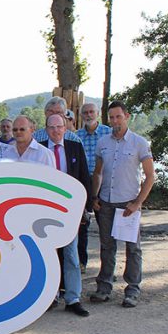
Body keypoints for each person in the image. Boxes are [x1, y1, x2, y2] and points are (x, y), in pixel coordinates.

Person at [90, 101, 155, 308]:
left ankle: (132, 289)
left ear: (127, 116)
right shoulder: (102, 143)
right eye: (111, 117)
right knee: (107, 247)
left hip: (128, 205)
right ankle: (104, 287)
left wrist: (137, 203)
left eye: (118, 116)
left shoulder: (139, 143)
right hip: (106, 203)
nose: (115, 121)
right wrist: (94, 197)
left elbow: (150, 176)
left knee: (132, 248)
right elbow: (98, 172)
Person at [38, 114, 91, 317]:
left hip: (70, 210)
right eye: (51, 127)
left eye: (59, 126)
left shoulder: (75, 147)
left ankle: (73, 298)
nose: (55, 131)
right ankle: (50, 297)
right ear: (46, 129)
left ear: (65, 128)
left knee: (71, 255)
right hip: (45, 211)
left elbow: (84, 176)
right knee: (49, 255)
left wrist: (86, 208)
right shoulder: (40, 150)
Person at [76, 102, 112, 270]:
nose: (89, 115)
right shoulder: (76, 136)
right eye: (85, 112)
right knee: (81, 225)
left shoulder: (108, 133)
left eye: (91, 112)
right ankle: (81, 262)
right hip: (83, 183)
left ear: (97, 113)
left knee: (105, 227)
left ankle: (107, 270)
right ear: (81, 115)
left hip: (104, 183)